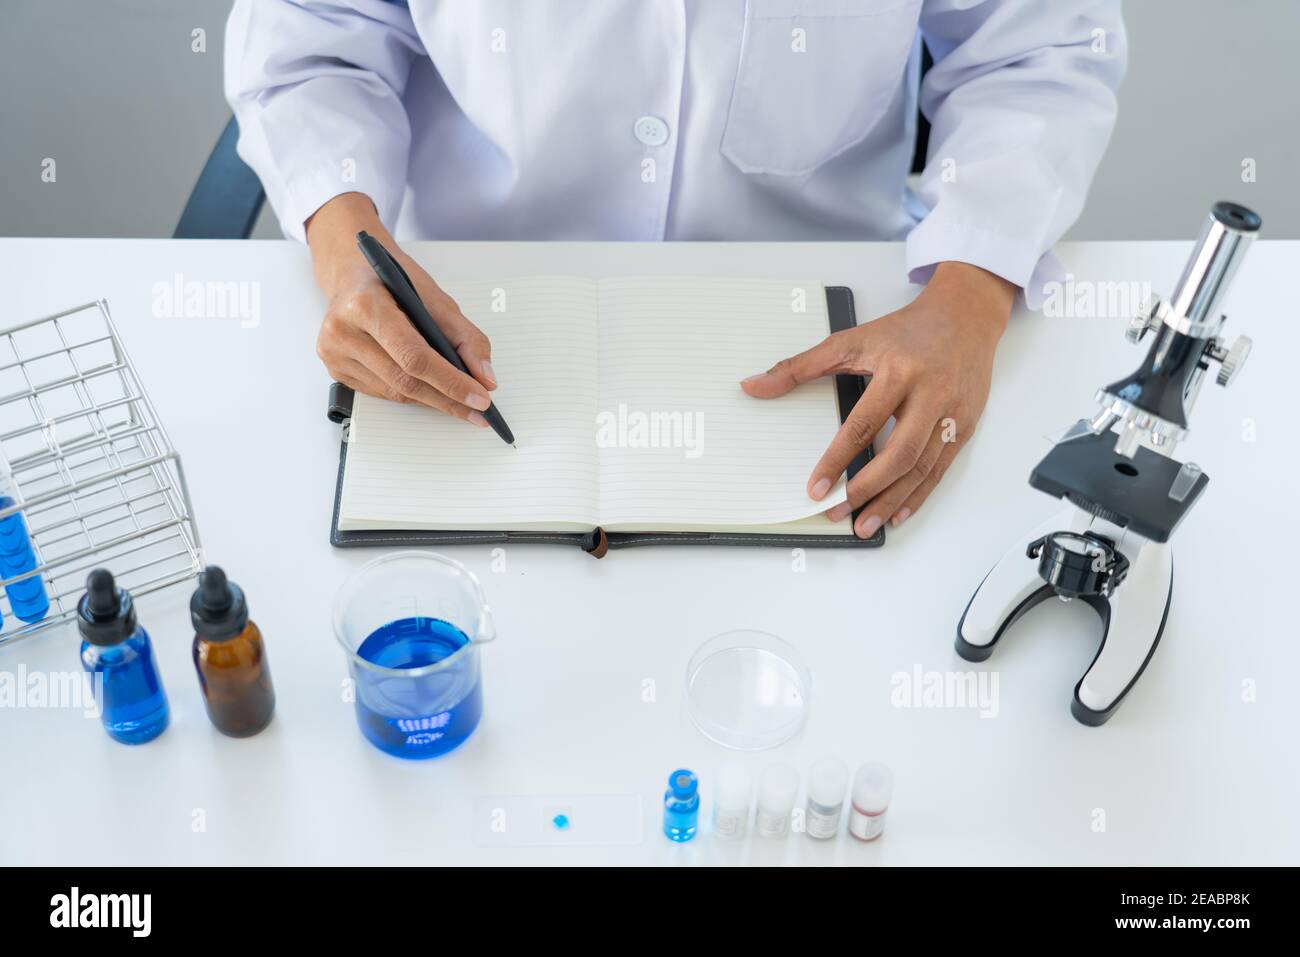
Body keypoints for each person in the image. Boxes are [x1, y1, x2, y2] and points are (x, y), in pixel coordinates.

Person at [225, 0, 1125, 538]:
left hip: (839, 322)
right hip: (470, 312)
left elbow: (1039, 47)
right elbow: (310, 41)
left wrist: (971, 296)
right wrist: (346, 247)